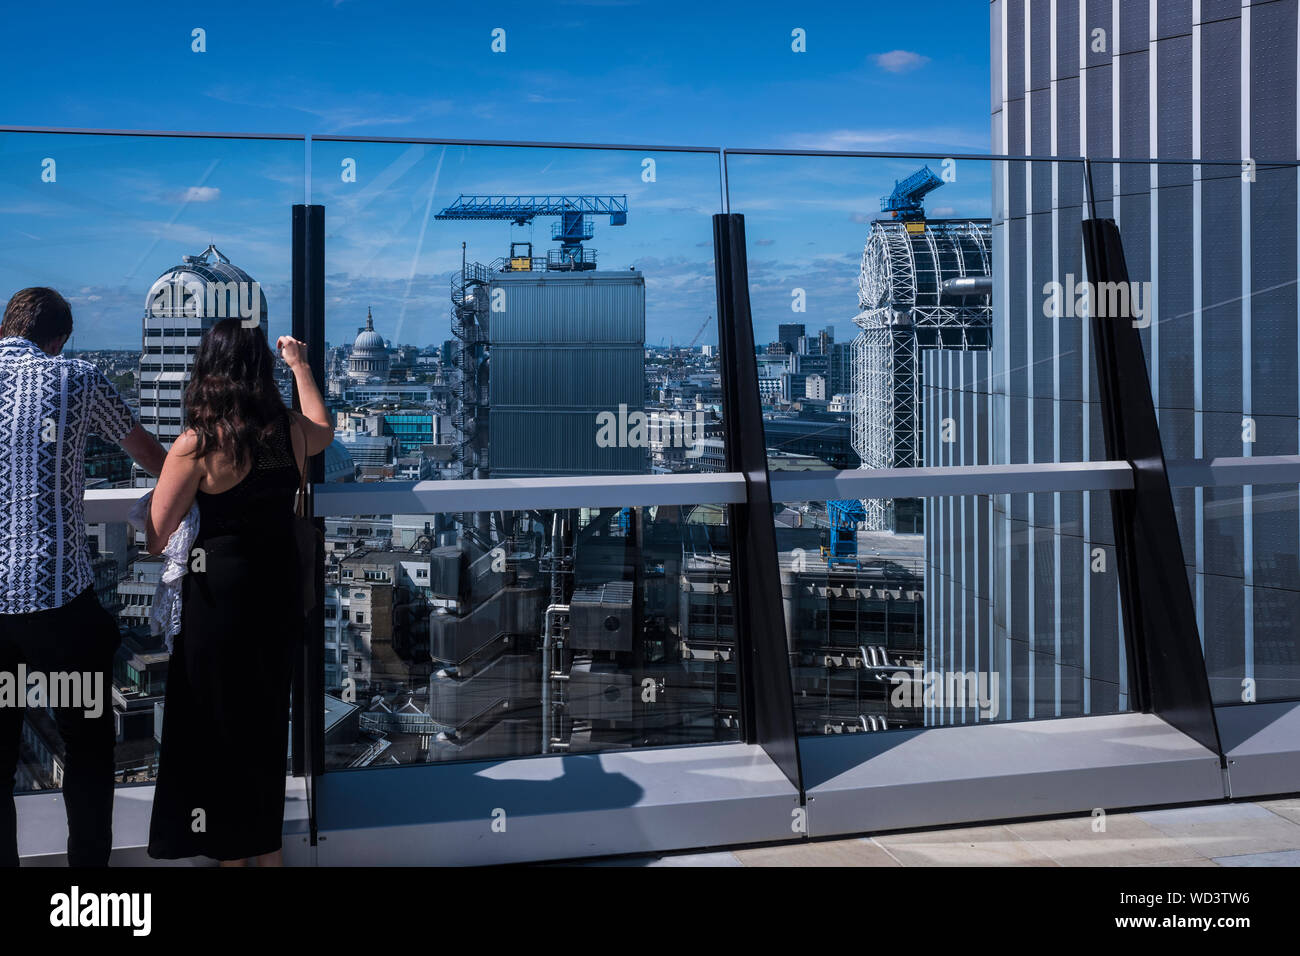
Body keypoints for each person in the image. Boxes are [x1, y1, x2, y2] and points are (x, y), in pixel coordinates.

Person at [145, 318, 333, 866]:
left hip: (218, 599)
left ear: (209, 370)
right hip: (277, 594)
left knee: (215, 725)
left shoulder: (198, 444)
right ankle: (266, 854)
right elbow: (324, 425)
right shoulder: (290, 431)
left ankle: (229, 855)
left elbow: (157, 538)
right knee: (264, 725)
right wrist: (300, 364)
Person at [0, 287, 167, 867]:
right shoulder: (77, 377)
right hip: (57, 603)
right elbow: (152, 457)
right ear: (60, 337)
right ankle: (88, 888)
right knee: (89, 748)